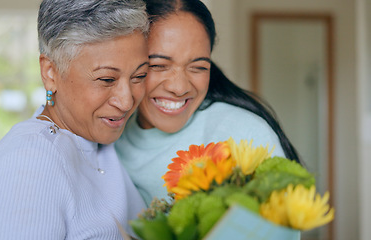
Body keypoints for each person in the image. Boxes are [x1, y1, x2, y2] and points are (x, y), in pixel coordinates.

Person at [0, 0, 149, 239]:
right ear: (50, 72)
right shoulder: (27, 162)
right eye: (107, 79)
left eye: (140, 75)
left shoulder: (102, 140)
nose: (127, 101)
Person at [115, 0, 302, 206]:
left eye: (198, 67)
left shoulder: (245, 135)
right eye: (158, 65)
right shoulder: (111, 136)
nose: (179, 87)